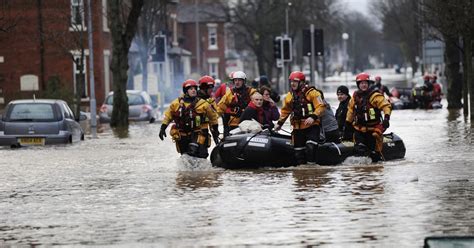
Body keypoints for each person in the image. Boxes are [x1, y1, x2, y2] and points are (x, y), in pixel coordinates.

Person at [274, 71, 326, 164]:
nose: (292, 83)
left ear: (302, 82)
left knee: (311, 147)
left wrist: (313, 117)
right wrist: (279, 124)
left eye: (295, 81)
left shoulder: (312, 93)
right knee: (298, 153)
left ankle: (312, 170)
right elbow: (285, 111)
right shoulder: (290, 96)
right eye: (291, 81)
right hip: (298, 127)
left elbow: (321, 106)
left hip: (312, 126)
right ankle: (302, 173)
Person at [159, 79, 219, 158]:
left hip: (197, 133)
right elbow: (168, 116)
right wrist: (163, 128)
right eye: (191, 89)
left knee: (199, 154)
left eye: (194, 88)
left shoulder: (203, 104)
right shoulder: (176, 104)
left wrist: (215, 129)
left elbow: (213, 117)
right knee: (185, 157)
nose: (193, 90)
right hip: (182, 135)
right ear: (186, 91)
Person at [345, 72, 392, 162]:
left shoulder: (375, 96)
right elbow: (351, 111)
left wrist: (386, 118)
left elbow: (386, 106)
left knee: (374, 154)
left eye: (365, 83)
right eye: (361, 83)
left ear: (369, 84)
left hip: (373, 129)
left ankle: (374, 163)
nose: (363, 85)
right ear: (358, 85)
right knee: (359, 148)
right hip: (359, 129)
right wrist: (347, 123)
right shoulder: (355, 97)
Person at [217, 71, 257, 136]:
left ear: (244, 81)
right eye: (235, 80)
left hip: (249, 123)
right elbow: (220, 106)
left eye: (239, 80)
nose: (237, 82)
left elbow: (258, 104)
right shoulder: (230, 92)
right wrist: (229, 111)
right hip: (234, 123)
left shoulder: (251, 92)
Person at [198, 75, 220, 144]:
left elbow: (213, 117)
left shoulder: (210, 101)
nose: (212, 90)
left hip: (204, 130)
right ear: (204, 88)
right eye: (210, 88)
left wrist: (215, 130)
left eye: (212, 87)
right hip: (193, 131)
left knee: (204, 153)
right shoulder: (194, 99)